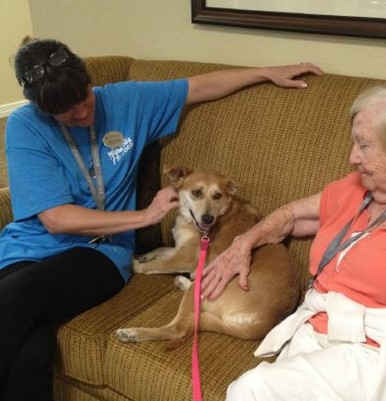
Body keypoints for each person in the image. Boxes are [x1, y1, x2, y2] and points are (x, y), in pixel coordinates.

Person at [0, 37, 322, 401]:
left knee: (16, 298)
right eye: (66, 113)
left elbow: (198, 86)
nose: (82, 114)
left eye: (84, 99)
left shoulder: (126, 100)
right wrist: (144, 216)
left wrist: (265, 72)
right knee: (29, 339)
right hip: (30, 247)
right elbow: (57, 219)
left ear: (89, 81)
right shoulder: (25, 126)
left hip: (98, 254)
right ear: (43, 111)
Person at [202, 86, 386, 401]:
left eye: (364, 145)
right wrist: (244, 242)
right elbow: (291, 217)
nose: (352, 157)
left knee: (251, 390)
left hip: (380, 357)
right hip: (320, 338)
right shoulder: (355, 189)